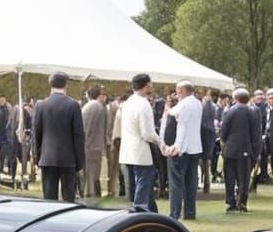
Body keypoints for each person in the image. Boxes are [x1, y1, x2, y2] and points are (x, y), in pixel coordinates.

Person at [32, 71, 85, 202]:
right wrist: (79, 161)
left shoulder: (40, 105)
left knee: (49, 199)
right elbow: (78, 136)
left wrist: (37, 156)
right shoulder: (73, 105)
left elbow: (36, 134)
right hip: (68, 158)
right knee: (69, 198)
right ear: (66, 85)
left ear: (50, 84)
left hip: (47, 157)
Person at [119, 73, 168, 213]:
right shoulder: (143, 103)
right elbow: (147, 133)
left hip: (128, 149)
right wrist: (160, 141)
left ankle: (152, 212)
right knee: (145, 180)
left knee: (140, 183)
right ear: (147, 85)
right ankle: (140, 209)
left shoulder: (127, 103)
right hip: (140, 149)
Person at [164, 80, 202, 220]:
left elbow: (182, 126)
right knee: (191, 182)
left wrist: (177, 146)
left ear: (181, 91)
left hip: (183, 149)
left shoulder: (184, 105)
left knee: (176, 183)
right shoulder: (197, 103)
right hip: (195, 148)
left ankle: (175, 213)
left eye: (178, 91)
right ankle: (190, 212)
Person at [221, 88, 258, 214]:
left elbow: (224, 131)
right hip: (245, 149)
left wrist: (225, 141)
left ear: (235, 98)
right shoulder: (253, 112)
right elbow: (256, 133)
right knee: (243, 178)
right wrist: (255, 151)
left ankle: (230, 202)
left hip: (230, 148)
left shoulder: (230, 111)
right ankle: (242, 202)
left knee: (229, 177)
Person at [81, 85, 107, 198]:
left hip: (89, 144)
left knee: (90, 172)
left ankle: (90, 193)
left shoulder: (89, 107)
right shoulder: (98, 106)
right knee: (93, 172)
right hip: (94, 145)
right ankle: (92, 193)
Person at [199, 90, 216, 194]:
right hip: (208, 135)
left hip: (205, 135)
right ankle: (206, 185)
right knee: (206, 163)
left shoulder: (208, 106)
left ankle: (206, 185)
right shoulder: (210, 106)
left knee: (205, 162)